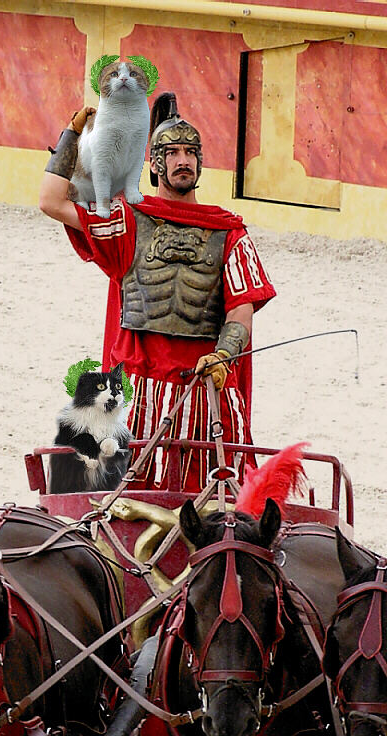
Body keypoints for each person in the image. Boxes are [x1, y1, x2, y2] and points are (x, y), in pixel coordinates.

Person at [39, 92, 276, 492]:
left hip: (204, 390)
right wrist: (73, 135)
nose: (183, 160)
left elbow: (242, 308)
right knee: (110, 501)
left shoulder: (229, 232)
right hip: (139, 390)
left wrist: (224, 354)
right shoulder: (128, 221)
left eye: (190, 152)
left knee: (219, 504)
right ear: (154, 164)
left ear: (200, 163)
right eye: (172, 153)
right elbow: (51, 200)